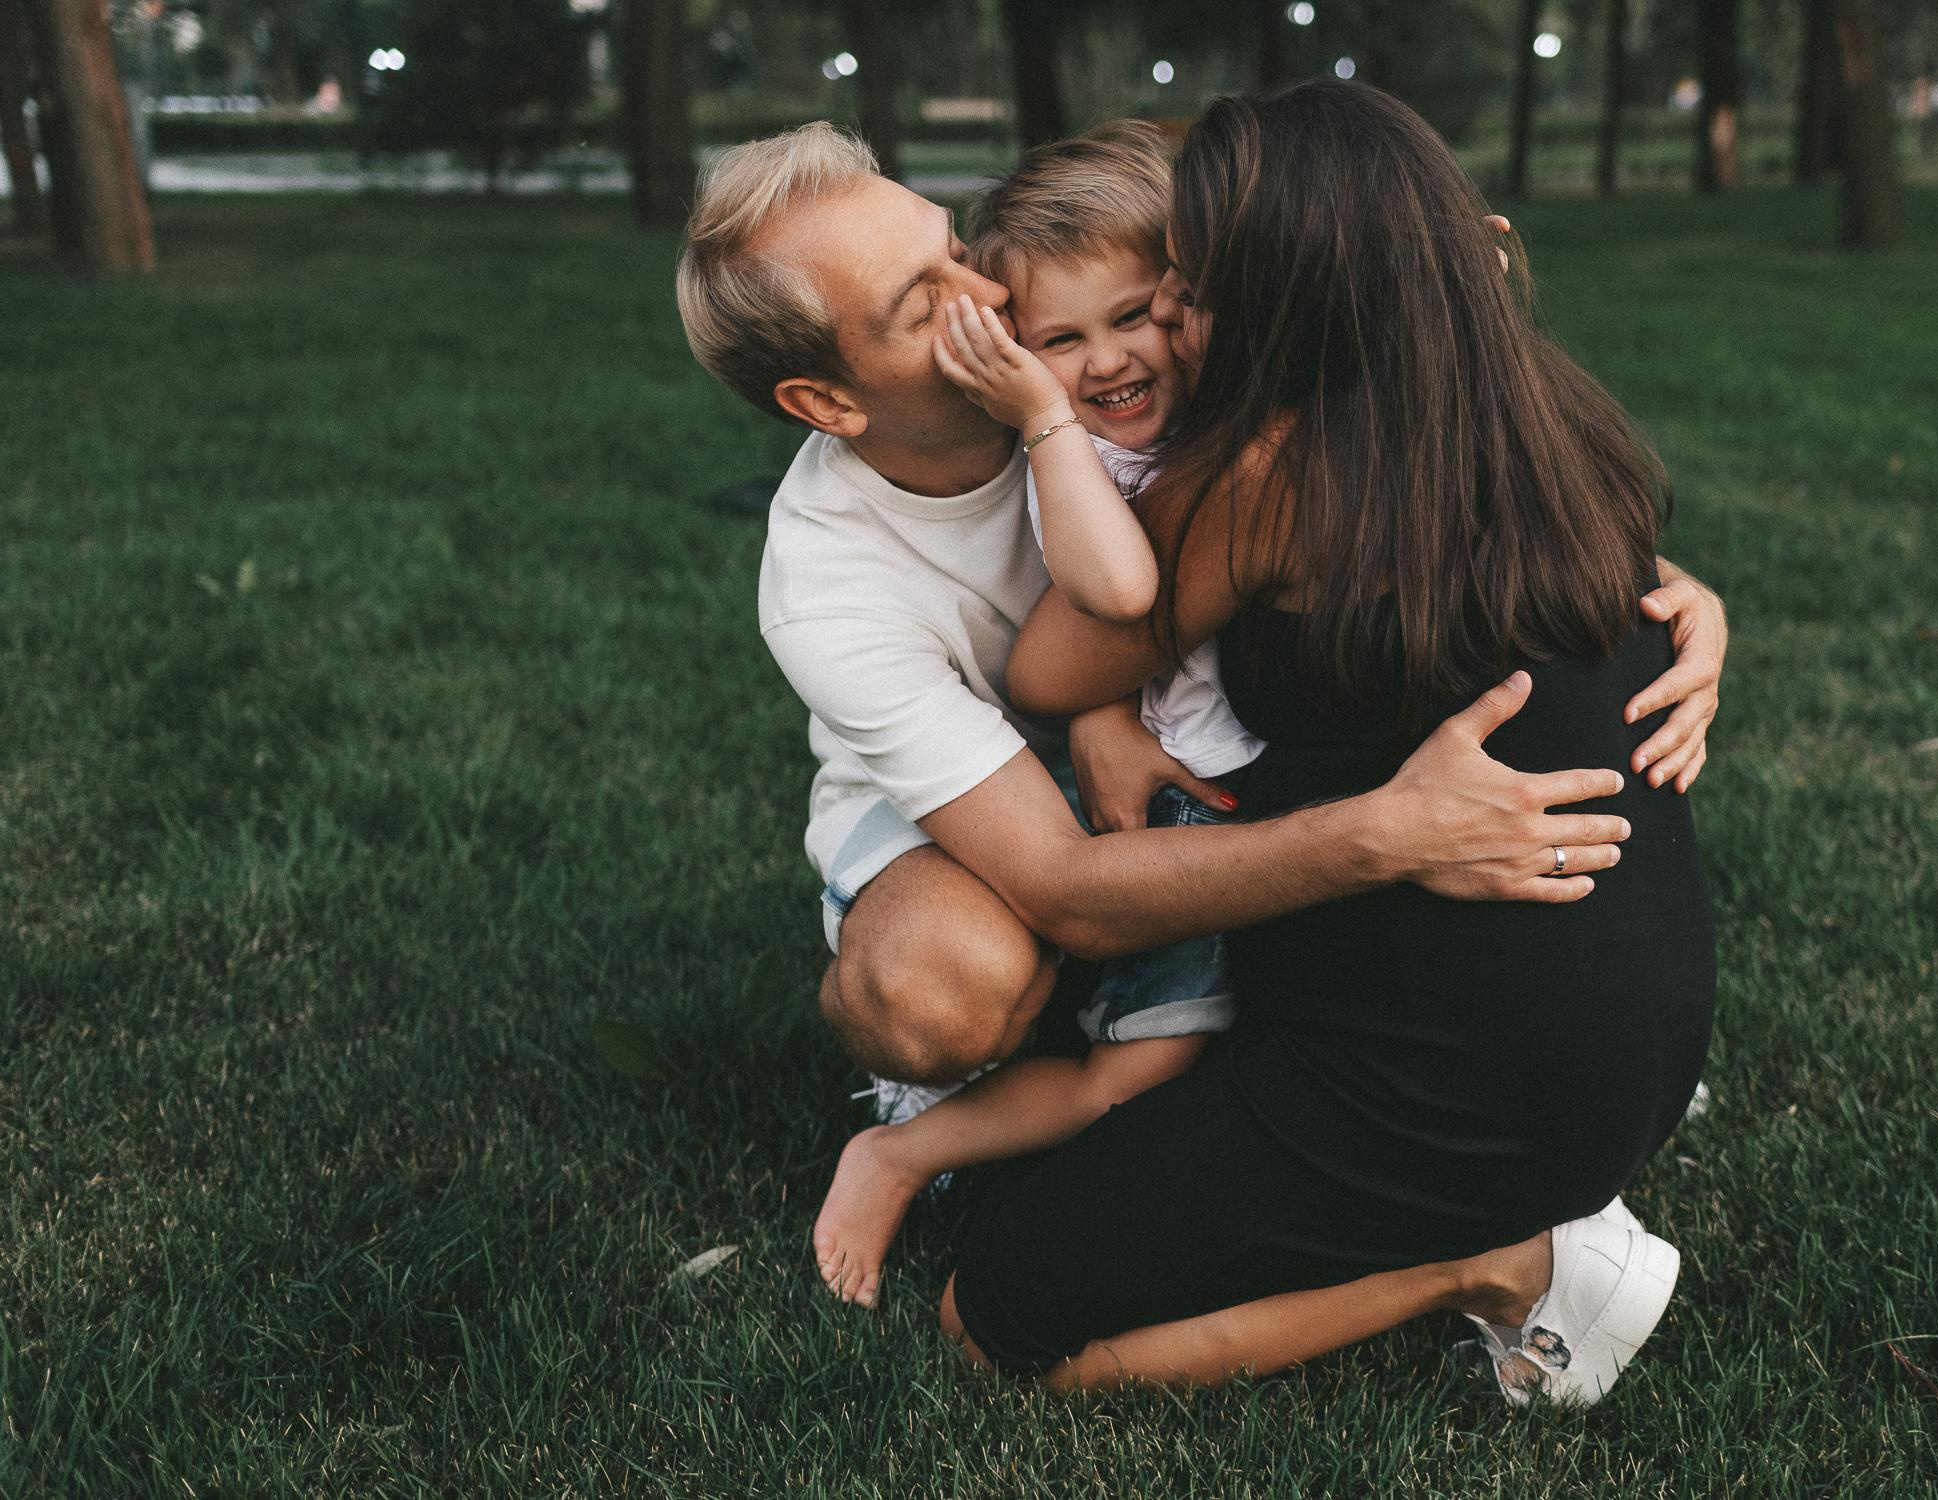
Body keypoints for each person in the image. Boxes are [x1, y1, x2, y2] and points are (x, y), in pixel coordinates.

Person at [669, 116, 1728, 1375]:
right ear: (826, 400)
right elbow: (1067, 875)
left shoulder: (1135, 362)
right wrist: (1380, 831)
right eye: (922, 303)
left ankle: (1481, 1247)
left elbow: (1401, 448)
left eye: (959, 250)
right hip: (984, 817)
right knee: (942, 981)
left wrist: (1669, 592)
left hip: (1287, 872)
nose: (990, 303)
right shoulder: (833, 584)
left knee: (1026, 1293)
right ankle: (974, 1105)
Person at [810, 124, 1270, 1308]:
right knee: (1147, 1066)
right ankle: (913, 1143)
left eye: (1138, 316)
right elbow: (1115, 595)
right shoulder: (1060, 457)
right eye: (1059, 339)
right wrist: (1048, 423)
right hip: (1110, 805)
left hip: (1220, 786)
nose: (1110, 359)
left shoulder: (1243, 413)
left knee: (1172, 1071)